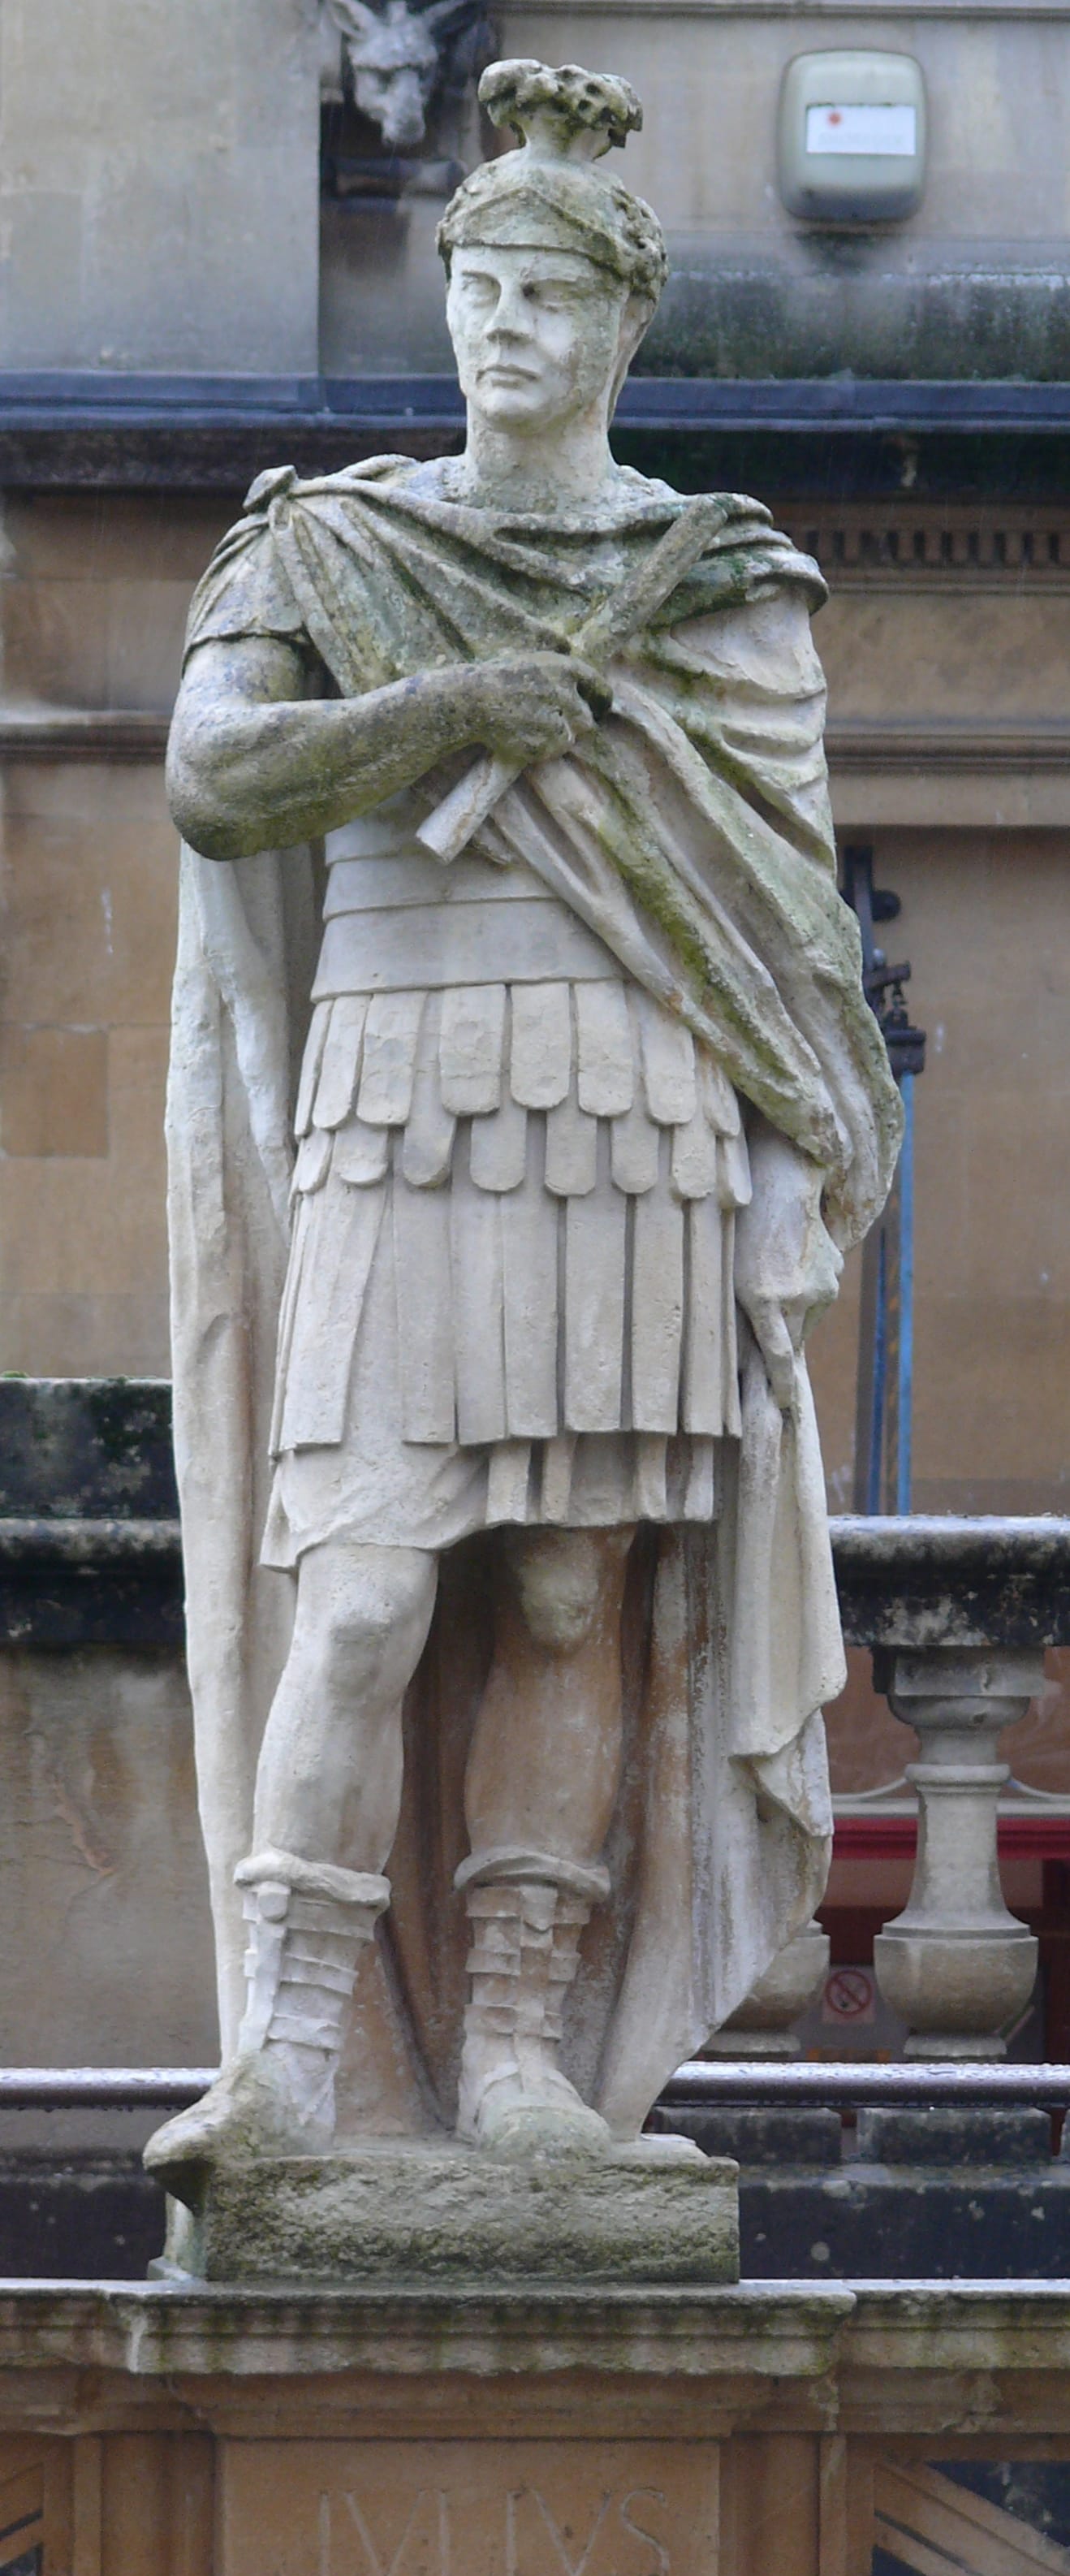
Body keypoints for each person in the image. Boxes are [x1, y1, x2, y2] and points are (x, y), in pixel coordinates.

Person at [146, 59, 900, 2193]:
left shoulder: (718, 585)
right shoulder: (332, 542)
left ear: (620, 329)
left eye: (551, 297)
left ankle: (519, 2058)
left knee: (573, 1598)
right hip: (404, 1103)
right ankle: (291, 2053)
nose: (504, 326)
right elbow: (213, 772)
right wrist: (444, 709)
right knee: (369, 1588)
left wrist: (783, 1180)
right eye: (480, 285)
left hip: (632, 1114)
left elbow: (781, 934)